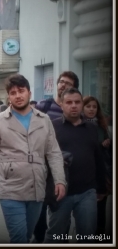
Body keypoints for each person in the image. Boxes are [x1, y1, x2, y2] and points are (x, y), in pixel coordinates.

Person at [0, 74, 66, 244]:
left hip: (37, 186)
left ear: (29, 93)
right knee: (18, 237)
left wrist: (60, 180)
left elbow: (53, 152)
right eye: (13, 92)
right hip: (10, 187)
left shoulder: (44, 119)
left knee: (26, 235)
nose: (18, 95)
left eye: (21, 91)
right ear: (8, 97)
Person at [44, 88, 107, 243]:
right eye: (69, 102)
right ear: (62, 105)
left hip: (87, 192)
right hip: (60, 193)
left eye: (77, 102)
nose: (74, 106)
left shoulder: (91, 129)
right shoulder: (52, 127)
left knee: (87, 236)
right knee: (56, 236)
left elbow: (98, 158)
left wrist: (102, 187)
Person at [32, 70, 79, 243]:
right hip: (42, 168)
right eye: (61, 81)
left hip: (64, 169)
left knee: (60, 210)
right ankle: (39, 240)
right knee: (39, 209)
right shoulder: (43, 106)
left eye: (68, 83)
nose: (63, 85)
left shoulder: (75, 111)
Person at [83, 96, 112, 240]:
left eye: (94, 107)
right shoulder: (78, 126)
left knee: (101, 208)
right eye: (88, 106)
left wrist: (108, 144)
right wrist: (100, 146)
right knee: (87, 212)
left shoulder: (102, 127)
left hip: (102, 174)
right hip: (85, 175)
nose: (91, 109)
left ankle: (100, 238)